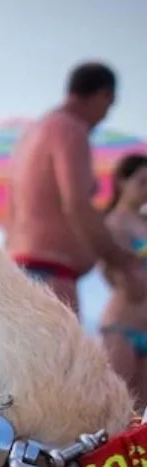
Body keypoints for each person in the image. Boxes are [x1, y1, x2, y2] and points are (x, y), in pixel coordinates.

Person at [5, 61, 146, 313]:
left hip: (21, 270)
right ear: (103, 94)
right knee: (57, 353)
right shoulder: (70, 129)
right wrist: (118, 261)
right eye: (109, 105)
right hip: (50, 276)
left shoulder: (34, 133)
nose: (105, 116)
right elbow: (77, 204)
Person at [99, 154, 147, 406]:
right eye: (141, 182)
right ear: (121, 182)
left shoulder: (143, 221)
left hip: (144, 326)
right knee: (116, 402)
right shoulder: (112, 223)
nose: (145, 191)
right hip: (123, 324)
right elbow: (110, 271)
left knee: (140, 411)